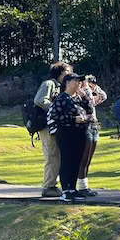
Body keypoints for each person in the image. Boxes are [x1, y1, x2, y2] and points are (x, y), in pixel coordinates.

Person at [46, 73, 89, 202]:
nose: (79, 83)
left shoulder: (79, 98)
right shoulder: (61, 99)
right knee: (67, 161)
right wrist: (73, 119)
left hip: (80, 133)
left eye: (80, 81)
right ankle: (65, 190)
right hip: (66, 133)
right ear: (68, 83)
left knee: (77, 161)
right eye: (76, 81)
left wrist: (85, 98)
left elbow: (89, 111)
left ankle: (72, 189)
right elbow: (55, 116)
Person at [33, 61, 73, 197]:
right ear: (60, 73)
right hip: (46, 126)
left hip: (55, 126)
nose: (69, 75)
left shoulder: (61, 87)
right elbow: (39, 100)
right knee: (52, 155)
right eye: (67, 72)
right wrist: (57, 108)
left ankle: (53, 185)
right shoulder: (49, 84)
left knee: (58, 155)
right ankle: (48, 186)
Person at [74, 74, 107, 197]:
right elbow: (90, 101)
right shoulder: (80, 94)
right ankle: (81, 187)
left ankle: (85, 186)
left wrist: (94, 86)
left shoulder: (89, 91)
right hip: (85, 126)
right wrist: (87, 87)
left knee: (88, 159)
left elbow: (103, 96)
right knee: (84, 158)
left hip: (94, 125)